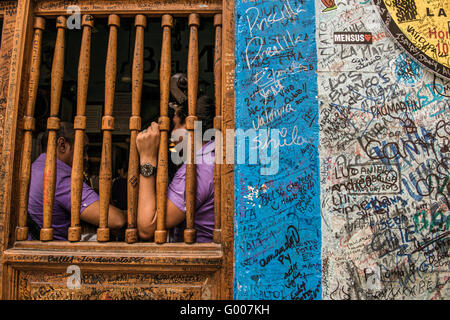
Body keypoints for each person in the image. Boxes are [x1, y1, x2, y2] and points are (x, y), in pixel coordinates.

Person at [27, 122, 126, 240]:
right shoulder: (59, 177)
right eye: (83, 150)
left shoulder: (35, 168)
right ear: (62, 145)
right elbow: (116, 219)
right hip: (55, 254)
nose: (86, 157)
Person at [136, 96, 215, 242]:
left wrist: (148, 158)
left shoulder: (197, 167)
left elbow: (147, 227)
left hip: (197, 260)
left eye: (175, 126)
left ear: (190, 124)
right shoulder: (215, 156)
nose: (172, 135)